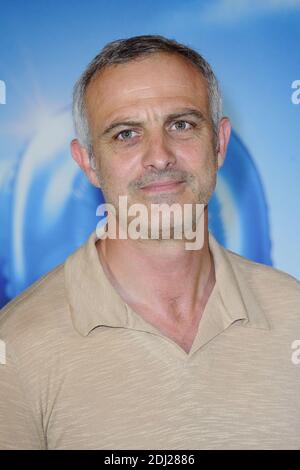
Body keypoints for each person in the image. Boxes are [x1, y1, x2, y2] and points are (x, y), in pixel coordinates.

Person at [0, 35, 299, 450]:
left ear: (219, 144)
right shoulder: (14, 347)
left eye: (181, 125)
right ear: (88, 162)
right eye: (126, 134)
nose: (159, 156)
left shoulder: (295, 315)